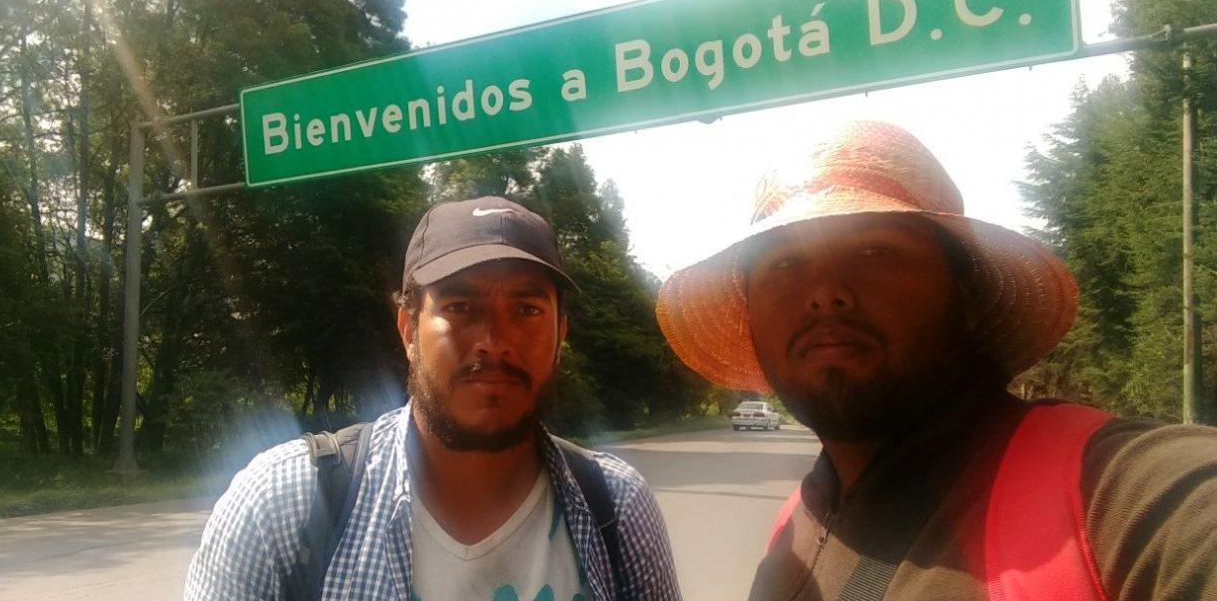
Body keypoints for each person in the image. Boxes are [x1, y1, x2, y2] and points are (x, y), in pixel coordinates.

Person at [656, 121, 1217, 601]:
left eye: (875, 250)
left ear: (966, 295)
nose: (824, 292)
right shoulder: (794, 525)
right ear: (751, 315)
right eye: (782, 264)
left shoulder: (1120, 492)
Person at [185, 196, 681, 601]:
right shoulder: (281, 502)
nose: (494, 340)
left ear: (560, 333)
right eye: (461, 306)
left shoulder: (617, 507)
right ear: (408, 329)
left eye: (527, 309)